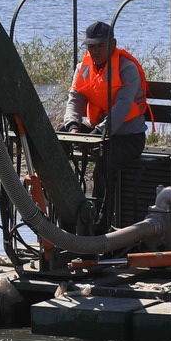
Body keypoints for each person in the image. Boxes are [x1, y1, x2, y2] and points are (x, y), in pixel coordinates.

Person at [62, 20, 150, 223]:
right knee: (58, 139)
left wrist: (96, 135)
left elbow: (121, 108)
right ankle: (65, 210)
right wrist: (73, 128)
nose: (95, 51)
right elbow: (75, 99)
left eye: (100, 46)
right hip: (97, 133)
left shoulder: (127, 69)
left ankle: (101, 222)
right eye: (91, 46)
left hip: (128, 138)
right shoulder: (83, 68)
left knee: (105, 160)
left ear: (113, 44)